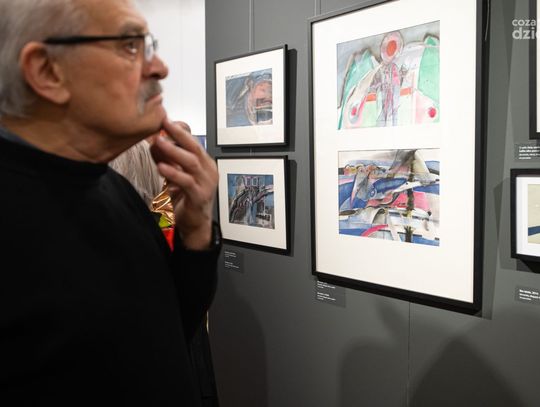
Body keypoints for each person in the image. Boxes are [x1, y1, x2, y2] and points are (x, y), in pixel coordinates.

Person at [0, 0, 222, 405]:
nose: (160, 68)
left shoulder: (113, 188)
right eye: (129, 46)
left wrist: (195, 233)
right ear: (47, 71)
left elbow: (167, 333)